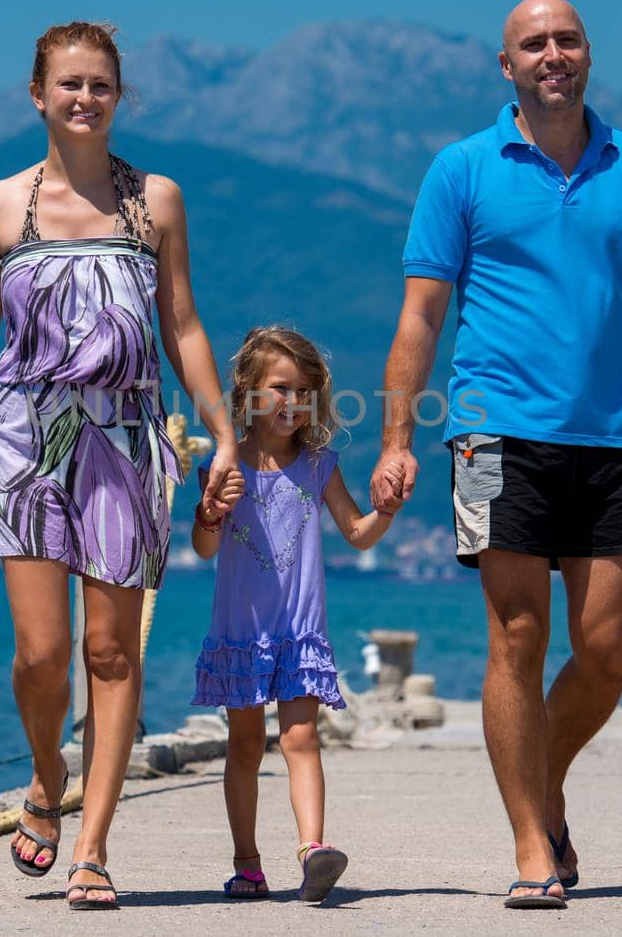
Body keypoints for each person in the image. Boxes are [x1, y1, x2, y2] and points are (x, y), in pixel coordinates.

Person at [370, 0, 622, 908]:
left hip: (608, 439)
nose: (552, 54)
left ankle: (540, 781)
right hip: (487, 433)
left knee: (607, 651)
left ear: (589, 53)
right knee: (516, 632)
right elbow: (422, 313)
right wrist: (398, 437)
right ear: (506, 65)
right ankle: (532, 843)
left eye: (567, 40)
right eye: (534, 44)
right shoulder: (462, 169)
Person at [0, 21, 240, 910]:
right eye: (70, 85)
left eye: (101, 85)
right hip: (23, 437)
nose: (85, 98)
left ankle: (92, 844)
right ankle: (46, 775)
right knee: (42, 655)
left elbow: (185, 326)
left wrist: (223, 430)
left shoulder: (154, 202)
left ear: (118, 96)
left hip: (129, 439)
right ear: (37, 94)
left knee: (110, 649)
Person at [191, 327, 396, 904]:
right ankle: (247, 864)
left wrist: (386, 511)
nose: (293, 401)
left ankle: (313, 853)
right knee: (245, 745)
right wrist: (209, 511)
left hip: (299, 634)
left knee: (301, 737)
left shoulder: (318, 466)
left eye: (305, 391)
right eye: (281, 387)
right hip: (242, 634)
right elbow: (203, 548)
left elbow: (357, 534)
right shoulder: (221, 467)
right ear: (248, 393)